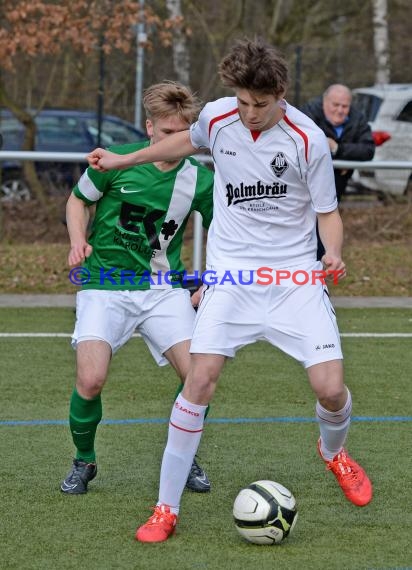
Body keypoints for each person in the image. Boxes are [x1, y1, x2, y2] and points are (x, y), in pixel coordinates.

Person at [88, 38, 373, 543]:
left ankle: (334, 453)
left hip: (292, 279)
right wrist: (123, 159)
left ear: (280, 94)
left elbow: (328, 213)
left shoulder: (306, 139)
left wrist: (331, 252)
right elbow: (180, 143)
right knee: (199, 381)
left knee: (330, 389)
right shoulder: (220, 119)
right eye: (242, 101)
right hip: (231, 276)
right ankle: (165, 509)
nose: (249, 113)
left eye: (259, 105)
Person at [61, 81, 214, 496]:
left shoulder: (199, 180)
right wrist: (79, 239)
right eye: (167, 133)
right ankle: (84, 460)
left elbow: (227, 234)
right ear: (150, 128)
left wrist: (213, 283)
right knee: (90, 380)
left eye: (183, 133)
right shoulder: (119, 162)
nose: (175, 141)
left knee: (199, 376)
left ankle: (184, 454)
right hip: (105, 284)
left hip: (163, 290)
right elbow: (78, 201)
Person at [301, 84, 375, 259]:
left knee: (324, 231)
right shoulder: (307, 114)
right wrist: (333, 159)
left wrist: (337, 149)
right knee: (303, 228)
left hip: (335, 187)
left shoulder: (357, 119)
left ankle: (317, 272)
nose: (340, 110)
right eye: (335, 105)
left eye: (345, 106)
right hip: (305, 187)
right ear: (324, 102)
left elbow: (368, 150)